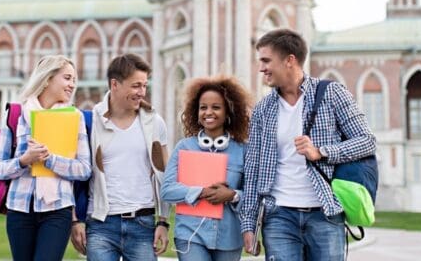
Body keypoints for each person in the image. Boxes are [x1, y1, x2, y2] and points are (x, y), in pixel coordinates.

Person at [240, 29, 376, 261]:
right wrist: (248, 224)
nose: (261, 68)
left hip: (325, 213)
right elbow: (252, 170)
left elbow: (367, 141)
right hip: (278, 216)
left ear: (289, 60)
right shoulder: (263, 109)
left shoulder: (331, 93)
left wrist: (321, 152)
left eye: (266, 60)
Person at [70, 53, 170, 261]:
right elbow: (75, 174)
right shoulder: (90, 121)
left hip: (143, 224)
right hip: (100, 225)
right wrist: (75, 220)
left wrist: (163, 221)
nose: (141, 92)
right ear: (114, 84)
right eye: (135, 86)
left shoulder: (155, 122)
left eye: (144, 86)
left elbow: (164, 174)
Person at [0, 55, 92, 261]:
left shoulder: (75, 117)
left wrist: (49, 160)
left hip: (57, 210)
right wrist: (24, 160)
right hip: (19, 209)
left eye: (74, 79)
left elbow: (84, 169)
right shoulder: (16, 115)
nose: (72, 84)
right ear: (47, 79)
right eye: (67, 78)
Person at [161, 75, 253, 261]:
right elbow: (167, 190)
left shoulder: (243, 150)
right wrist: (201, 192)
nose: (208, 112)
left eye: (216, 107)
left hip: (229, 237)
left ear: (228, 112)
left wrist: (233, 195)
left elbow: (253, 194)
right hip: (190, 234)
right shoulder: (184, 147)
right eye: (203, 107)